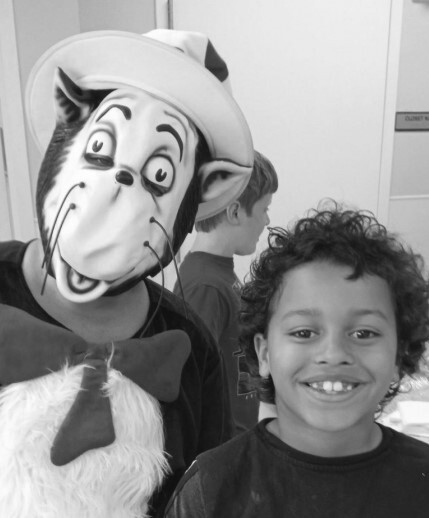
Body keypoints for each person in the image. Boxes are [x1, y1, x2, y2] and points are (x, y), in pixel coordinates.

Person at [0, 29, 255, 518]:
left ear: (198, 194)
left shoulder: (190, 347)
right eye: (98, 148)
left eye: (159, 176)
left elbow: (206, 495)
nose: (119, 183)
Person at [165, 203, 429, 518]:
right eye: (304, 332)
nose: (333, 354)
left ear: (400, 354)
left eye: (364, 334)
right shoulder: (210, 489)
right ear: (264, 354)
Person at [173, 150, 278, 434]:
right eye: (264, 208)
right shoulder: (204, 286)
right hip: (223, 444)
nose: (267, 221)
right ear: (234, 212)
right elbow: (191, 384)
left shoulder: (218, 274)